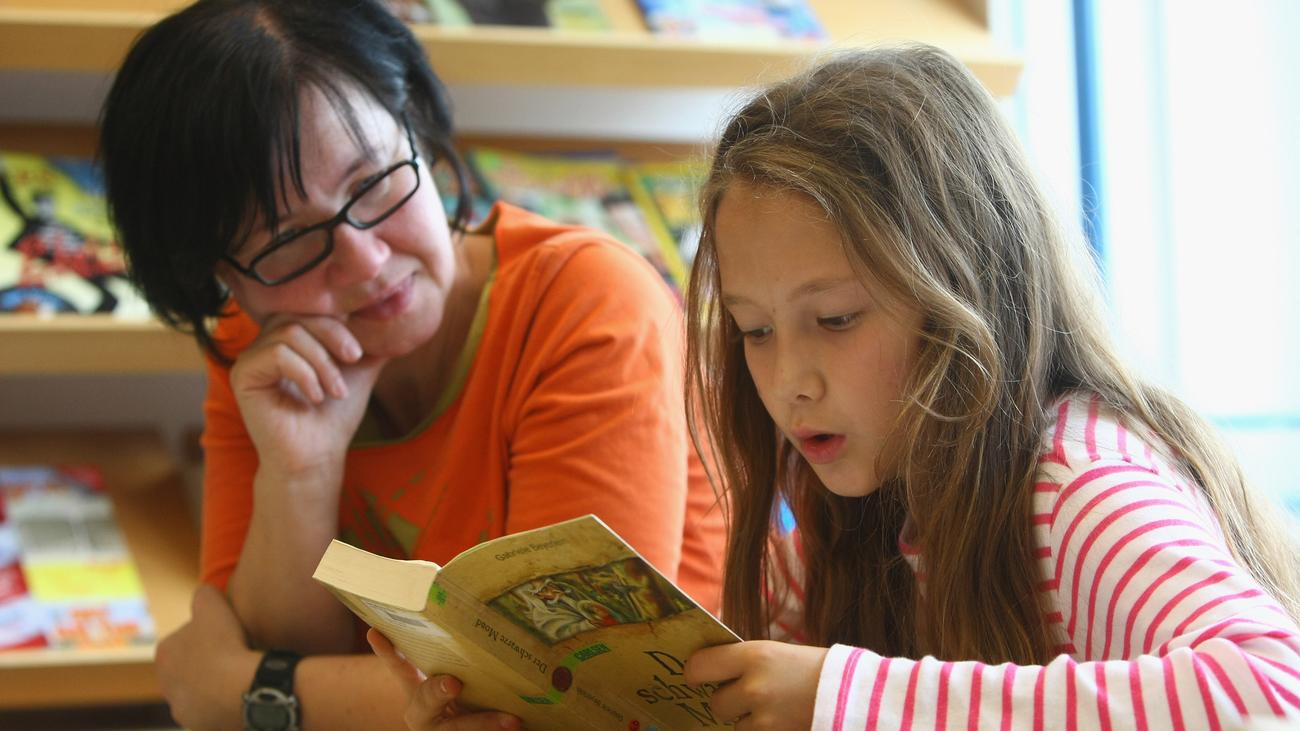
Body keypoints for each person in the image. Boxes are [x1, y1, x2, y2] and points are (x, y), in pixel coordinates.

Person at [97, 0, 724, 728]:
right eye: (288, 240)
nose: (365, 259)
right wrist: (301, 473)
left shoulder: (583, 301)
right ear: (221, 278)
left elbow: (570, 695)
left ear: (419, 133)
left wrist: (253, 692)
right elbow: (272, 644)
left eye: (373, 183)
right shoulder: (263, 353)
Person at [669, 45, 1300, 729]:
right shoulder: (863, 500)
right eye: (755, 330)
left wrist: (850, 697)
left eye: (836, 318)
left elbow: (1273, 692)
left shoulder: (1073, 487)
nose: (789, 381)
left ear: (961, 293)